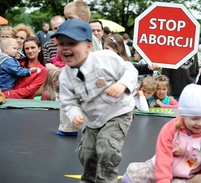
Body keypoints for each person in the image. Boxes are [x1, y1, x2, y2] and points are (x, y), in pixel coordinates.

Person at [51, 18, 138, 182]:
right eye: (62, 43)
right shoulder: (65, 77)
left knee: (107, 149)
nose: (66, 47)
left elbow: (130, 70)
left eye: (72, 43)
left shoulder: (105, 58)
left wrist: (122, 84)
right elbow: (69, 103)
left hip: (117, 112)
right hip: (92, 120)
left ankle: (107, 180)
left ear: (89, 46)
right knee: (87, 154)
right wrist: (75, 114)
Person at [121, 84, 201, 183]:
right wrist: (163, 180)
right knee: (129, 177)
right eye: (194, 119)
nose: (200, 123)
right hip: (158, 168)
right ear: (183, 115)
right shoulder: (171, 129)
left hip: (188, 176)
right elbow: (163, 157)